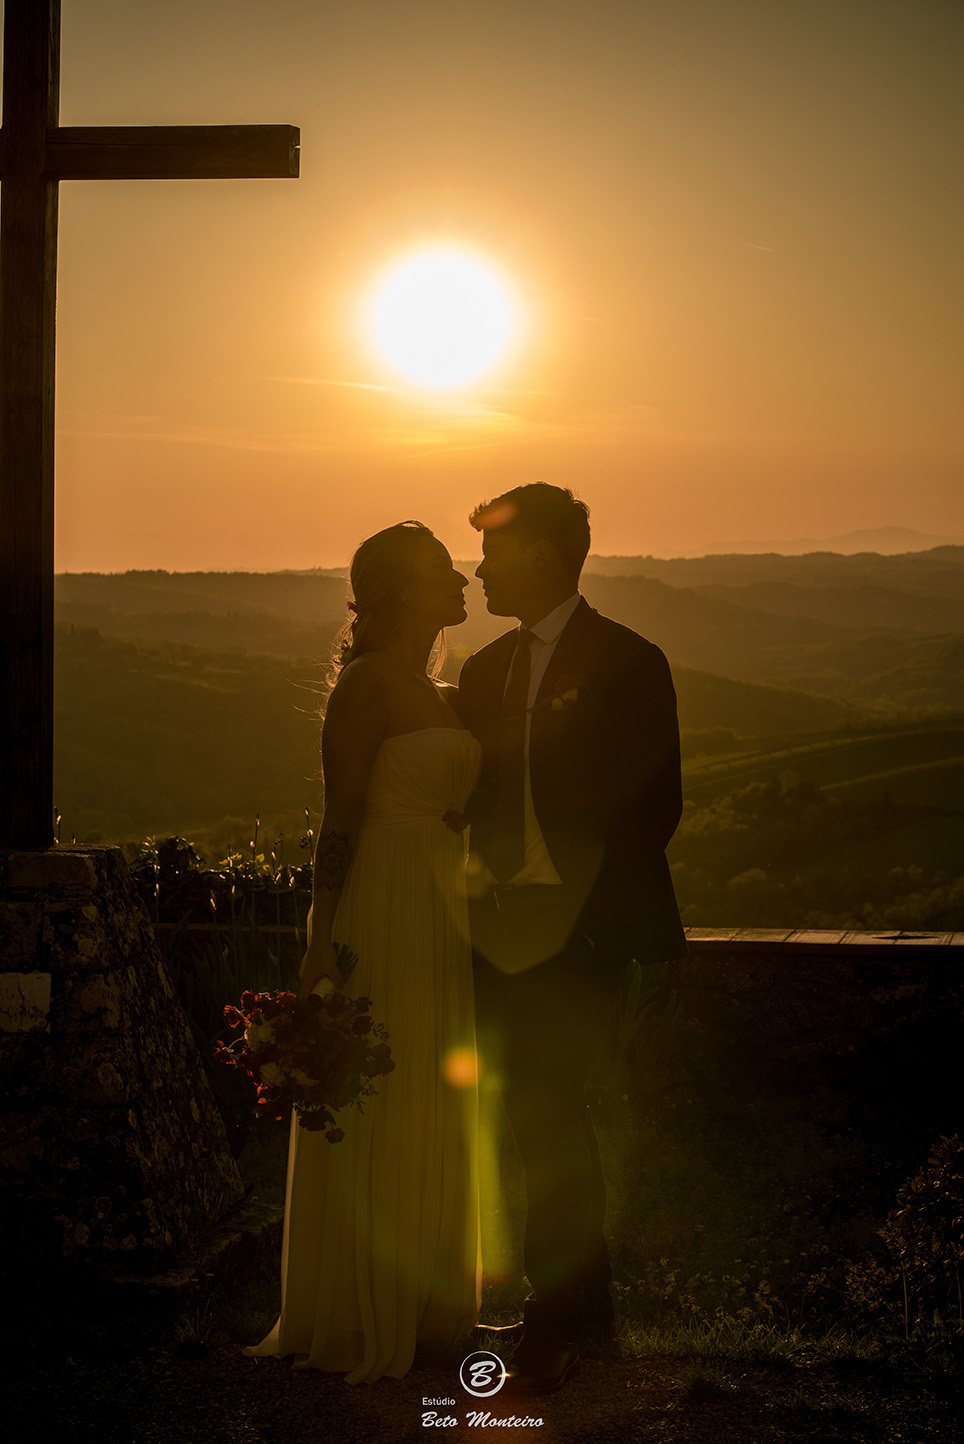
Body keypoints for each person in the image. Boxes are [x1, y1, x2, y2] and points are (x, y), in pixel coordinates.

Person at [457, 483, 686, 1394]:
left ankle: (556, 1324)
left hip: (582, 938)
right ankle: (586, 1314)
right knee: (531, 1118)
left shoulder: (630, 661)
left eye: (494, 552)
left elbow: (654, 809)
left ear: (545, 555)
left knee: (545, 1111)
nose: (479, 570)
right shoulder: (482, 672)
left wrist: (581, 922)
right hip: (494, 934)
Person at [243, 521, 482, 1384]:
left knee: (432, 1087)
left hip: (441, 908)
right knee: (386, 1089)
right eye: (445, 571)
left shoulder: (440, 689)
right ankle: (358, 1304)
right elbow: (340, 816)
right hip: (382, 903)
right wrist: (321, 937)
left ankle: (425, 1302)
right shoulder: (366, 685)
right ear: (403, 590)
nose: (463, 582)